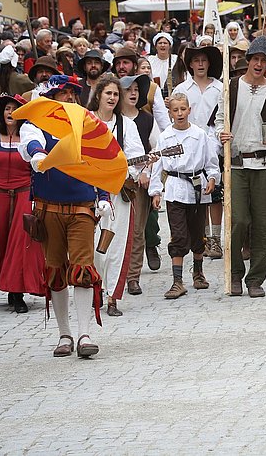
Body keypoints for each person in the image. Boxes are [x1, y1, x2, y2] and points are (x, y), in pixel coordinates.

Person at [19, 74, 112, 359]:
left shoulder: (88, 123)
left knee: (83, 269)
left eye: (73, 92)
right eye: (64, 93)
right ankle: (64, 333)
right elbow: (31, 145)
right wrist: (38, 155)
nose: (70, 97)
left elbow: (101, 160)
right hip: (48, 208)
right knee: (55, 269)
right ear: (52, 97)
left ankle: (84, 334)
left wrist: (105, 196)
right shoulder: (35, 124)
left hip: (82, 206)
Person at [215, 37, 266, 298]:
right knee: (238, 220)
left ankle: (255, 278)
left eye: (264, 60)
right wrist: (221, 135)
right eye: (255, 59)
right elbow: (219, 121)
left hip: (265, 163)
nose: (259, 64)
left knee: (261, 223)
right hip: (235, 163)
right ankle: (235, 272)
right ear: (247, 61)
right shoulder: (231, 87)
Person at [0, 95, 46, 313]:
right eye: (7, 109)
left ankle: (18, 293)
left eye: (15, 109)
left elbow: (37, 168)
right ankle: (10, 289)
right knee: (2, 243)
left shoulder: (29, 139)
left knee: (21, 244)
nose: (10, 112)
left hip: (24, 194)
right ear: (0, 113)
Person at [150, 93, 220, 299]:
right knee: (179, 234)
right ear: (170, 113)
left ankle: (198, 272)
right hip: (175, 188)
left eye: (183, 109)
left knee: (198, 232)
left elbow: (211, 162)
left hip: (197, 187)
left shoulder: (200, 135)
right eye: (175, 110)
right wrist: (156, 191)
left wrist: (212, 179)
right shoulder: (165, 137)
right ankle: (177, 281)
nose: (180, 113)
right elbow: (157, 164)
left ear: (189, 110)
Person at [86, 73, 144, 317]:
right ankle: (93, 288)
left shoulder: (126, 124)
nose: (112, 97)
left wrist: (122, 168)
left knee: (117, 244)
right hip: (88, 191)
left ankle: (112, 296)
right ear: (98, 94)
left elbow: (137, 157)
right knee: (93, 243)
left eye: (115, 94)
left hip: (117, 192)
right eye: (108, 93)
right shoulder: (86, 121)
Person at [173, 45, 225, 260]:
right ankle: (201, 237)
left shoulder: (220, 88)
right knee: (198, 193)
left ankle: (215, 238)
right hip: (191, 146)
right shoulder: (183, 88)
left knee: (215, 194)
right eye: (197, 61)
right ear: (191, 64)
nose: (201, 64)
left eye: (204, 60)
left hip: (214, 144)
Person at [119, 74, 162, 296]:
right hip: (114, 181)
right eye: (128, 90)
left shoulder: (147, 119)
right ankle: (114, 275)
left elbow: (157, 148)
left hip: (138, 183)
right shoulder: (112, 119)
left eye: (137, 89)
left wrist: (146, 171)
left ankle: (132, 277)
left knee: (137, 232)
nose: (134, 93)